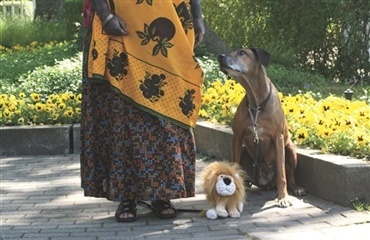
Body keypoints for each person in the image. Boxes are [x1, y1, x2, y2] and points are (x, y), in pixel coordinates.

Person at [80, 0, 205, 222]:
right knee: (124, 113)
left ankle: (163, 192)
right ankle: (127, 195)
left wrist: (197, 16)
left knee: (167, 108)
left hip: (170, 26)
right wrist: (105, 15)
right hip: (123, 25)